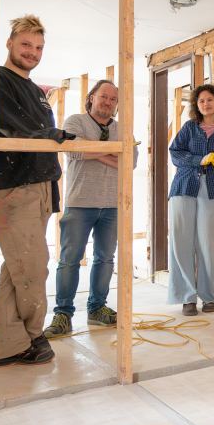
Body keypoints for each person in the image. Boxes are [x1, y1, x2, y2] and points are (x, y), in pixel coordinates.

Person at [0, 14, 74, 367]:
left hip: (39, 185)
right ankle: (32, 335)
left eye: (39, 47)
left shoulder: (37, 92)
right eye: (26, 44)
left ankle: (7, 344)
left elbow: (40, 134)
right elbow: (8, 130)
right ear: (10, 43)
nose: (32, 52)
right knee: (32, 269)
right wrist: (47, 138)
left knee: (17, 268)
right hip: (13, 188)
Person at [43, 79, 138, 338]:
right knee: (69, 260)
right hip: (80, 202)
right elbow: (73, 152)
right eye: (103, 96)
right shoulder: (75, 121)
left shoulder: (123, 128)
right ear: (92, 97)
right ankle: (63, 314)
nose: (108, 102)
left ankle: (97, 309)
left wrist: (91, 149)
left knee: (105, 259)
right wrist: (112, 153)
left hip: (112, 204)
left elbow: (130, 162)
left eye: (113, 99)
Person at [167, 83, 214, 316]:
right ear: (196, 105)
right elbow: (175, 153)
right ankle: (187, 297)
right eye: (201, 101)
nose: (205, 104)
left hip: (212, 188)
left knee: (209, 243)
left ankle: (209, 296)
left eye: (209, 100)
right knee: (181, 242)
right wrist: (199, 160)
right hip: (184, 187)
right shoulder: (189, 127)